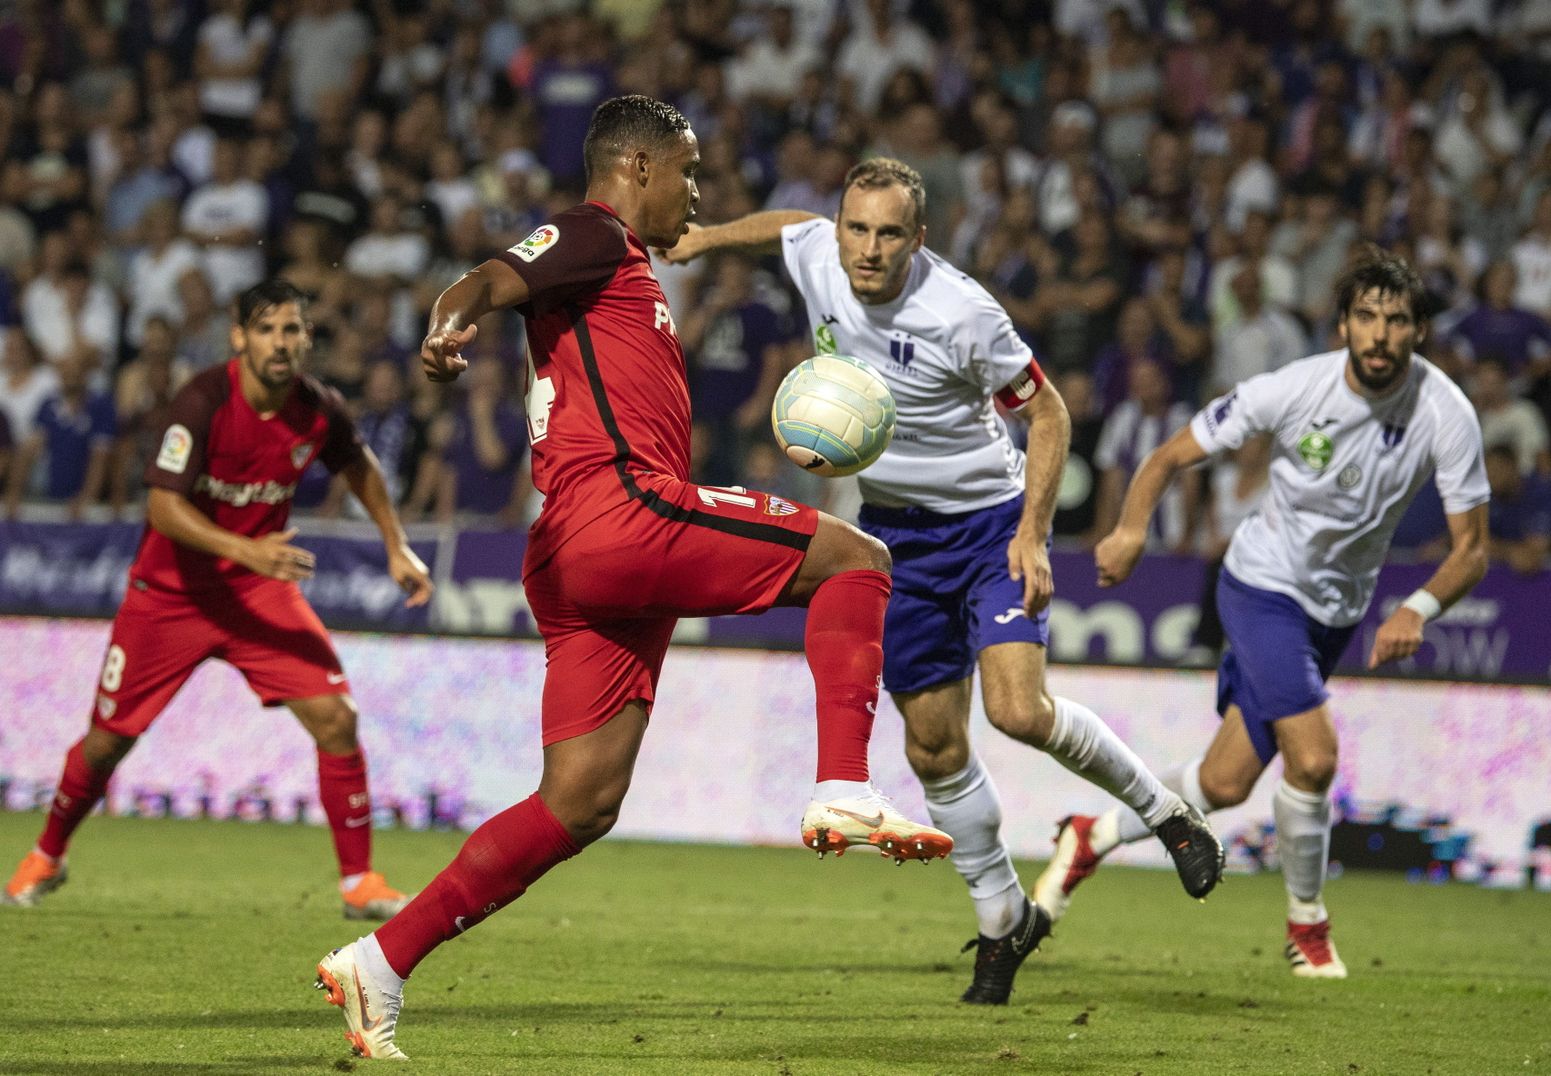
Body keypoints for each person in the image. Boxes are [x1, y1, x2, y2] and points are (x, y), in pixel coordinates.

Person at [313, 98, 950, 1061]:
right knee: (856, 559)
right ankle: (842, 784)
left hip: (573, 556)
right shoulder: (592, 235)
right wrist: (448, 331)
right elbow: (490, 276)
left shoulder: (629, 271)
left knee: (579, 801)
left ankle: (379, 963)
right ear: (641, 166)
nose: (697, 192)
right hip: (621, 513)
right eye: (689, 172)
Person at [663, 156, 1223, 1007]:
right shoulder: (820, 250)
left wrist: (1034, 534)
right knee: (933, 748)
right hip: (892, 536)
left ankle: (1168, 814)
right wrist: (705, 238)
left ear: (918, 238)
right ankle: (1003, 919)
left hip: (989, 525)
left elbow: (1049, 412)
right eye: (858, 228)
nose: (869, 249)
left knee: (1018, 711)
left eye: (890, 234)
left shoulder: (963, 314)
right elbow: (787, 227)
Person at [1063, 249, 1490, 978]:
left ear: (1419, 331)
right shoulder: (1294, 388)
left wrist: (1417, 607)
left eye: (1396, 320)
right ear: (1343, 325)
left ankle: (1091, 834)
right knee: (1315, 757)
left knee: (1225, 783)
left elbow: (1473, 548)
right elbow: (1169, 455)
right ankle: (1308, 925)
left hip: (1337, 611)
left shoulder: (1445, 412)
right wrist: (1132, 529)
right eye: (1366, 317)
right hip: (1261, 587)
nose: (1380, 335)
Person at [3, 280, 433, 920]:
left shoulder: (317, 409)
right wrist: (247, 550)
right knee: (106, 743)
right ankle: (48, 852)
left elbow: (360, 465)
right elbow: (163, 507)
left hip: (258, 593)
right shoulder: (201, 401)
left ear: (308, 339)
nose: (281, 343)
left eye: (292, 330)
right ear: (239, 337)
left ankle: (359, 883)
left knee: (337, 719)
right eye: (266, 330)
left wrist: (396, 545)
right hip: (171, 594)